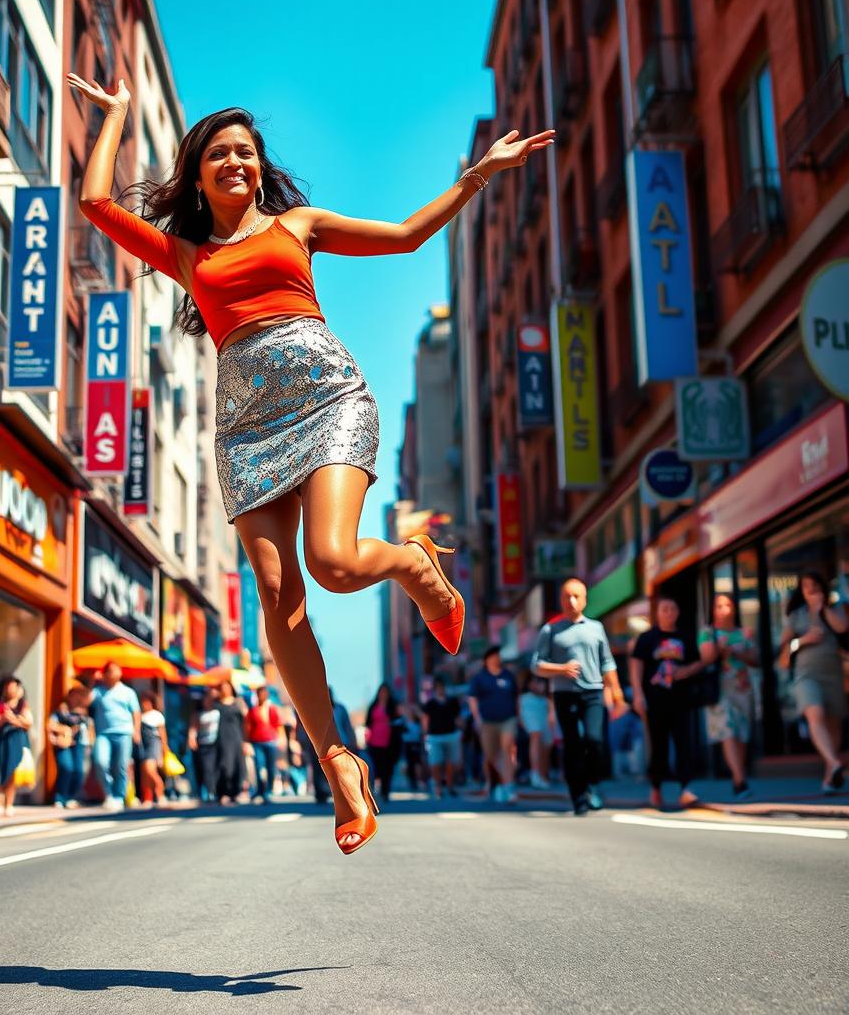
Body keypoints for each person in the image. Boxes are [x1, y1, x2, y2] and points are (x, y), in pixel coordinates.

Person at [69, 68, 552, 854]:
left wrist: (475, 176)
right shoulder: (189, 255)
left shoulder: (298, 226)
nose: (236, 163)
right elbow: (95, 204)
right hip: (245, 427)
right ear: (198, 172)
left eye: (246, 153)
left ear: (259, 166)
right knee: (272, 587)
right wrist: (118, 115)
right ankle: (338, 762)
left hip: (329, 397)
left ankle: (413, 564)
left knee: (331, 560)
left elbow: (402, 236)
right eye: (219, 154)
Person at [533, 578, 623, 816]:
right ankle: (578, 798)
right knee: (573, 745)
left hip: (593, 692)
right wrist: (561, 669)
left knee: (594, 741)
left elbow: (607, 661)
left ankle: (592, 783)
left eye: (576, 596)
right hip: (564, 694)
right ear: (561, 600)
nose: (571, 601)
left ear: (584, 599)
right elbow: (537, 665)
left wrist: (616, 692)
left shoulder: (596, 627)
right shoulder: (550, 630)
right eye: (566, 596)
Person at [630, 597, 703, 809]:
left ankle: (686, 788)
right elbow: (636, 666)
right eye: (664, 609)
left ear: (678, 612)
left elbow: (699, 661)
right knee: (658, 745)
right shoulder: (647, 638)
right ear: (657, 613)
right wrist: (637, 694)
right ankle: (655, 788)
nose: (669, 613)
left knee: (683, 743)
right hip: (654, 699)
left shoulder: (686, 636)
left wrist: (687, 671)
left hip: (681, 699)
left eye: (672, 609)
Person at [779, 572, 847, 793]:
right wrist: (802, 640)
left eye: (814, 585)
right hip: (805, 674)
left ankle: (830, 776)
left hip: (833, 673)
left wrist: (823, 609)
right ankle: (836, 763)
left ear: (822, 588)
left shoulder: (835, 608)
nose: (810, 590)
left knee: (833, 723)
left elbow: (842, 628)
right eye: (806, 586)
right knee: (814, 713)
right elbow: (784, 651)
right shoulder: (796, 615)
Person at [698, 593, 760, 801]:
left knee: (742, 733)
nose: (722, 609)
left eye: (727, 605)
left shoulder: (745, 633)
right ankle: (740, 779)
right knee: (728, 731)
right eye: (718, 606)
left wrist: (736, 652)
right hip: (719, 688)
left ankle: (737, 777)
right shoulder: (708, 633)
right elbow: (706, 658)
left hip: (742, 687)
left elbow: (756, 659)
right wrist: (720, 650)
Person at [87, 662, 141, 812]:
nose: (113, 674)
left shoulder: (128, 692)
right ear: (104, 674)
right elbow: (86, 701)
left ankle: (118, 797)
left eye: (116, 670)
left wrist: (136, 731)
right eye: (110, 671)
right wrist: (92, 681)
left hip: (124, 732)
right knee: (100, 762)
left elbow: (136, 712)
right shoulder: (98, 691)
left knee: (121, 766)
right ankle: (108, 794)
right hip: (103, 733)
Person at [468, 647, 519, 803]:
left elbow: (516, 697)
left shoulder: (508, 676)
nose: (497, 658)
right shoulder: (480, 678)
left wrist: (519, 716)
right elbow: (472, 699)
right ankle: (496, 783)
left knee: (507, 750)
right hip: (487, 722)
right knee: (491, 755)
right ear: (486, 660)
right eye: (494, 656)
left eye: (498, 655)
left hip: (507, 719)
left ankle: (509, 786)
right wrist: (477, 718)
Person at [0, 677, 33, 817]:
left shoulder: (22, 705)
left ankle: (7, 803)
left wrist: (13, 719)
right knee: (4, 769)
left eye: (14, 686)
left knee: (14, 770)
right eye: (8, 687)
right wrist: (2, 719)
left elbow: (28, 723)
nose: (11, 689)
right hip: (4, 740)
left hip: (18, 739)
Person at [47, 684, 91, 809]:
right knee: (66, 767)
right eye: (74, 695)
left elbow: (89, 730)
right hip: (64, 743)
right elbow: (51, 724)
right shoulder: (61, 711)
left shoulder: (84, 714)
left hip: (80, 744)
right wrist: (66, 730)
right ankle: (60, 798)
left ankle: (71, 797)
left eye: (79, 696)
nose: (76, 698)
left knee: (79, 771)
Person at [422, 677, 461, 799]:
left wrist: (461, 731)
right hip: (434, 737)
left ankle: (450, 786)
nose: (440, 690)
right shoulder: (430, 703)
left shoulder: (452, 701)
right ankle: (437, 787)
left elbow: (458, 718)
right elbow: (425, 719)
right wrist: (425, 733)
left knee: (451, 762)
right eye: (438, 687)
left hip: (451, 734)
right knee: (435, 763)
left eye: (442, 687)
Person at [517, 668, 554, 790]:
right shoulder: (525, 697)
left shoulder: (545, 678)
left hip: (543, 709)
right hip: (532, 706)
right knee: (536, 737)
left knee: (546, 745)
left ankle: (542, 775)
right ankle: (535, 773)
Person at [364, 684, 402, 803]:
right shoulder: (373, 706)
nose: (383, 694)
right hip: (374, 741)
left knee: (387, 768)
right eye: (382, 692)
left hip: (389, 742)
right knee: (376, 768)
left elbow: (399, 721)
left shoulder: (393, 706)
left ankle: (385, 791)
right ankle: (376, 790)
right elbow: (368, 722)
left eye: (386, 692)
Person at [245, 685, 282, 803]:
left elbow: (278, 725)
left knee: (271, 767)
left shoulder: (272, 709)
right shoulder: (253, 711)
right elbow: (247, 728)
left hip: (270, 741)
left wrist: (281, 740)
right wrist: (246, 743)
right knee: (259, 766)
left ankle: (268, 790)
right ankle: (260, 789)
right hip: (257, 742)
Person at [215, 680, 247, 804]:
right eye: (222, 687)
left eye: (227, 687)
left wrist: (246, 741)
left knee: (237, 765)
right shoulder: (216, 703)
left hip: (236, 737)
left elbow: (245, 722)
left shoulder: (238, 702)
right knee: (224, 765)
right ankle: (223, 792)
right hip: (221, 737)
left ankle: (235, 792)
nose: (225, 690)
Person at [189, 688, 221, 803]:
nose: (206, 701)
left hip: (215, 744)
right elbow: (193, 728)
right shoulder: (199, 714)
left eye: (209, 699)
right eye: (205, 699)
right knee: (205, 768)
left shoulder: (218, 711)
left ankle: (213, 791)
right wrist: (191, 738)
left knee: (213, 768)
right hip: (203, 744)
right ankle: (208, 792)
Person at [138, 692, 169, 808]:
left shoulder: (156, 715)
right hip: (143, 745)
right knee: (144, 774)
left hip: (153, 744)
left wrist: (164, 748)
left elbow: (162, 733)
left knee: (150, 770)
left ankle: (161, 794)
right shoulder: (140, 715)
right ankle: (147, 797)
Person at [400, 705, 425, 792]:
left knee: (417, 764)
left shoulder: (418, 723)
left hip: (416, 744)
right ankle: (412, 781)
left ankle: (419, 780)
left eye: (411, 712)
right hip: (407, 745)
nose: (410, 714)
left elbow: (422, 733)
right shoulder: (403, 723)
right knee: (409, 764)